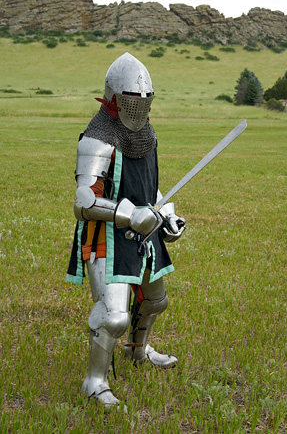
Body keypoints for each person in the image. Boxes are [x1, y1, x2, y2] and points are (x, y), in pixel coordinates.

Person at [66, 52, 186, 410]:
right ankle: (94, 382)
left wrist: (167, 214)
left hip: (144, 236)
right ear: (114, 98)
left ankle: (138, 351)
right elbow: (83, 202)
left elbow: (149, 188)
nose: (140, 106)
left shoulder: (147, 135)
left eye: (146, 100)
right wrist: (128, 215)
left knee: (156, 300)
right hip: (108, 237)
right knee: (115, 316)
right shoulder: (96, 140)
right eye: (133, 99)